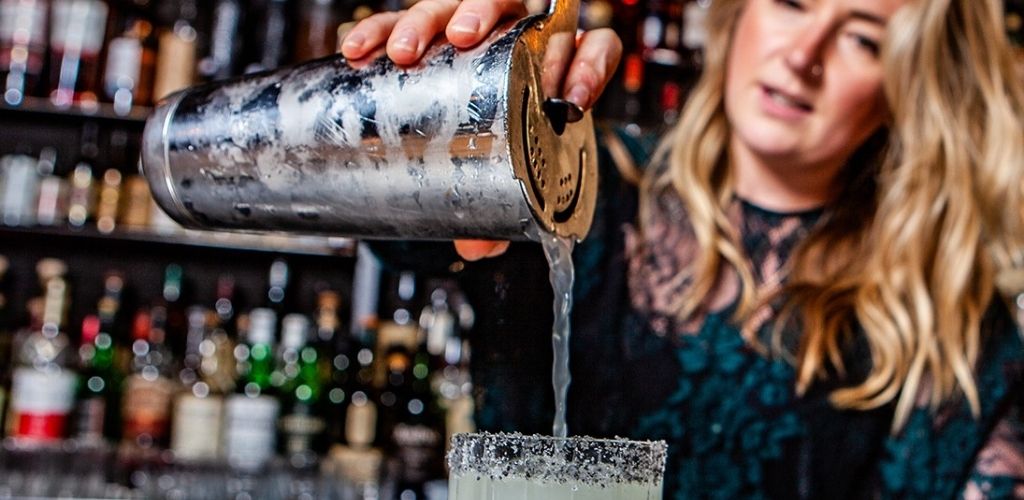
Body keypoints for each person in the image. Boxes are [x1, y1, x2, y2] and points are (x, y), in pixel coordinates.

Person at [343, 0, 1024, 498]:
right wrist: (438, 92)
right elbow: (392, 233)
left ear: (912, 89)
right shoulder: (573, 188)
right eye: (791, 4)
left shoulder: (944, 322)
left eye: (865, 41)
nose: (803, 56)